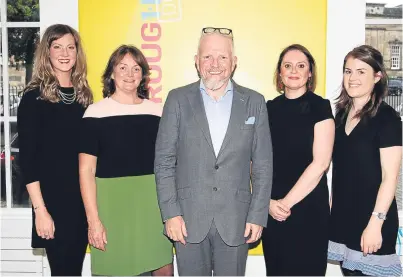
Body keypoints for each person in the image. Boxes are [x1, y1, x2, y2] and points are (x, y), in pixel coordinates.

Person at [154, 27, 272, 276]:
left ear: (234, 62)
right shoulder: (177, 99)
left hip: (237, 221)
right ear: (196, 61)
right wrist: (170, 214)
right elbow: (164, 162)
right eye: (207, 57)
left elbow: (262, 165)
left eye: (222, 57)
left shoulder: (254, 102)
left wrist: (257, 215)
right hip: (187, 220)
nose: (215, 64)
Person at [79, 45, 174, 276]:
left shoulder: (158, 112)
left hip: (153, 206)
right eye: (122, 67)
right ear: (112, 73)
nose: (129, 74)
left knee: (162, 268)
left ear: (143, 75)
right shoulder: (95, 113)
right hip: (112, 208)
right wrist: (94, 222)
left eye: (135, 68)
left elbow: (170, 164)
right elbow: (86, 171)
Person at [17, 24, 92, 276]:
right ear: (46, 52)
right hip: (52, 204)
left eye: (70, 47)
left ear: (77, 52)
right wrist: (40, 211)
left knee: (74, 271)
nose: (64, 53)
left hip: (82, 202)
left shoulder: (84, 96)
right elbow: (28, 160)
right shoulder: (33, 98)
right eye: (57, 46)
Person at [328, 45, 402, 277]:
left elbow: (390, 178)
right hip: (344, 219)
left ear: (377, 76)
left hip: (373, 223)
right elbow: (341, 170)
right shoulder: (340, 115)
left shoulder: (388, 119)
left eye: (361, 71)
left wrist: (375, 225)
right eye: (348, 71)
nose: (352, 78)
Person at [261, 44, 335, 276]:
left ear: (310, 72)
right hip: (272, 210)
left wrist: (285, 204)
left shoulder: (321, 108)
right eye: (288, 65)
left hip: (308, 210)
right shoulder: (267, 109)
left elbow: (321, 164)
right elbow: (255, 159)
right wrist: (268, 203)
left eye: (301, 66)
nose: (294, 70)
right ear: (280, 73)